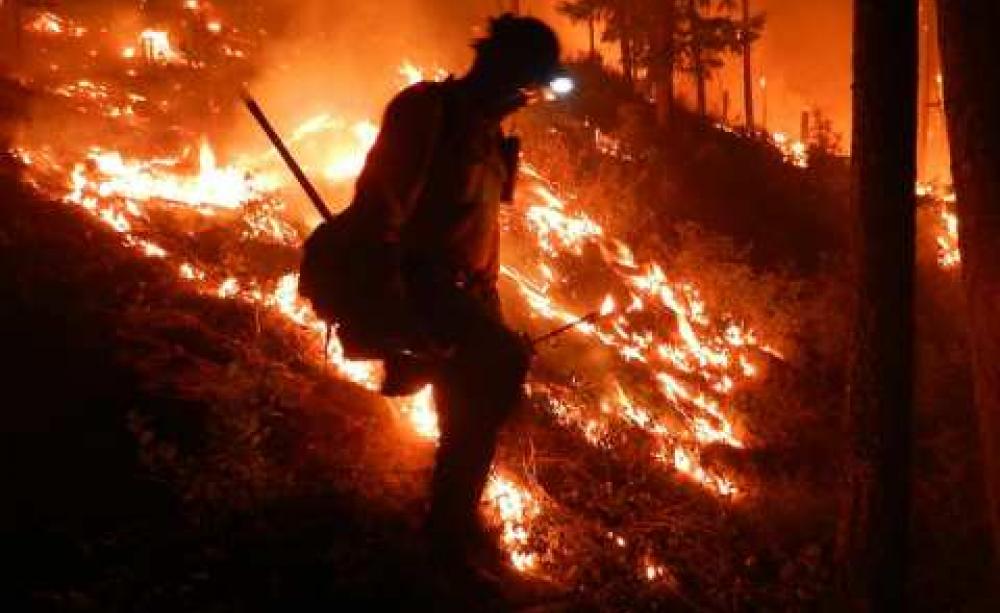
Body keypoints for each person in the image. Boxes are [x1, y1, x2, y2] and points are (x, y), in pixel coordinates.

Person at [337, 14, 563, 574]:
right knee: (492, 371)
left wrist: (491, 310)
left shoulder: (492, 138)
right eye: (528, 85)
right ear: (502, 69)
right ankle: (443, 542)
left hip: (466, 292)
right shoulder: (426, 112)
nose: (528, 100)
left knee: (476, 405)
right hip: (420, 282)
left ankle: (449, 530)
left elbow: (480, 232)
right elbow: (378, 210)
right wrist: (391, 308)